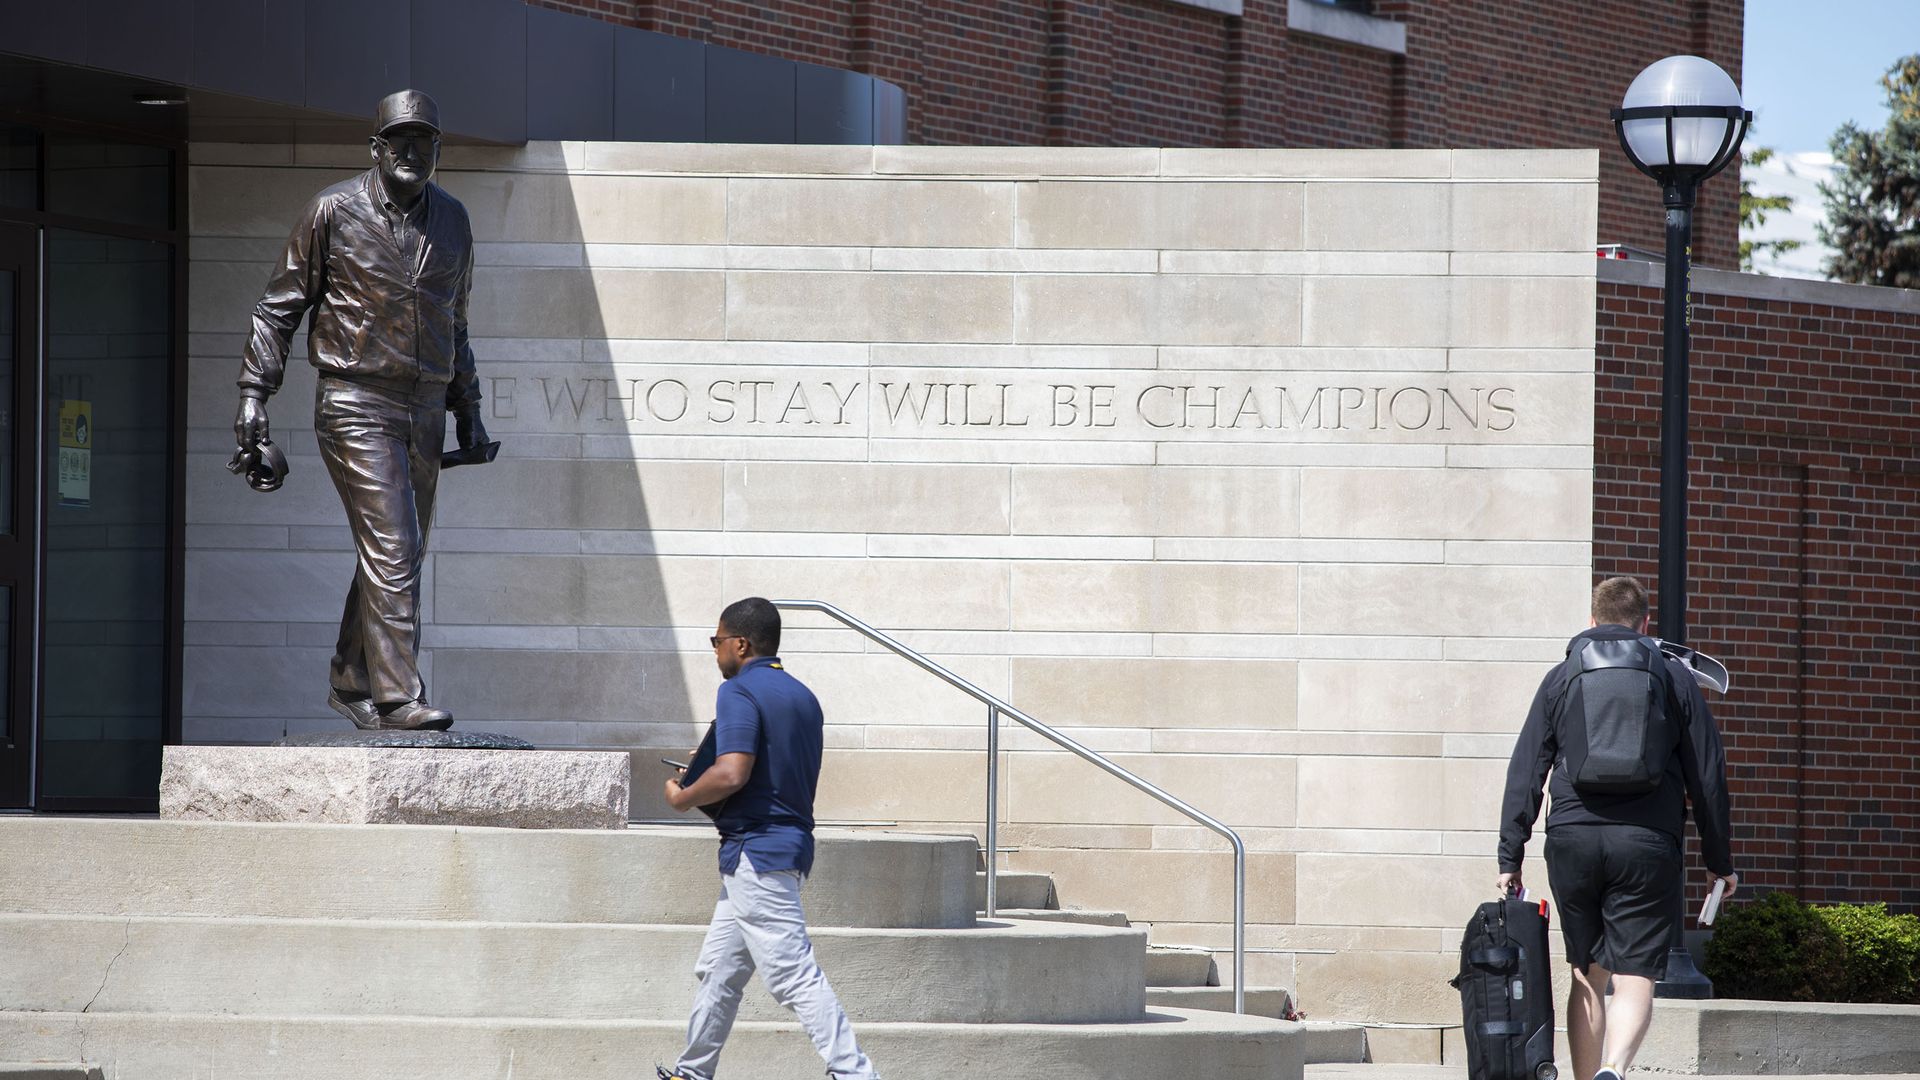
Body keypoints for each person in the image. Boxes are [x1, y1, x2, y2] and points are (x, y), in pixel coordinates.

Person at [231, 89, 492, 731]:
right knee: (394, 546)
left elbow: (455, 322)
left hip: (426, 406)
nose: (410, 151)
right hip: (355, 398)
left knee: (396, 549)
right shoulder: (332, 211)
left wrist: (469, 409)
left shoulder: (454, 220)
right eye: (398, 140)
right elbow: (278, 308)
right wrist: (253, 395)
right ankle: (399, 695)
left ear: (438, 148)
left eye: (423, 140)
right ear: (375, 148)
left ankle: (354, 678)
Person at [1497, 576, 1737, 1080]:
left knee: (1586, 976)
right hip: (1646, 845)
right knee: (1634, 978)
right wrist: (1720, 862)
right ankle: (1615, 1069)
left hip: (1573, 839)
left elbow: (1526, 771)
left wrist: (1509, 857)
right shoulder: (1673, 678)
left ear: (1591, 620)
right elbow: (1708, 775)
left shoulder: (1561, 676)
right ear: (1645, 623)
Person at [657, 597, 881, 1080]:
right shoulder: (803, 696)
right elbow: (770, 770)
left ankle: (854, 1073)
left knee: (792, 974)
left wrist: (683, 795)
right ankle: (692, 1072)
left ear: (741, 643)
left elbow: (734, 772)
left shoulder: (738, 692)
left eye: (717, 642)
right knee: (719, 970)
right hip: (779, 848)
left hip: (756, 852)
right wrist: (710, 762)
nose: (715, 652)